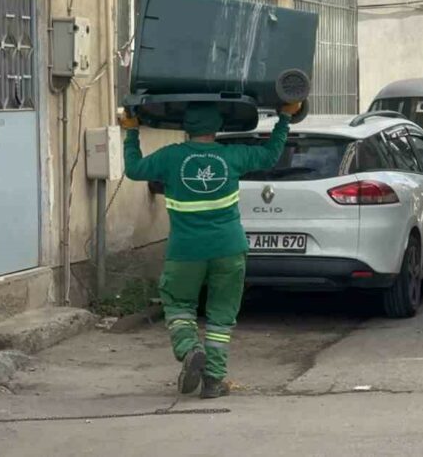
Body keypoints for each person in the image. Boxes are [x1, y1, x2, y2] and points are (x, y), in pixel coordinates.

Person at [119, 101, 301, 397]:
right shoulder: (232, 156)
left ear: (186, 128)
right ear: (216, 127)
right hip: (229, 249)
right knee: (220, 317)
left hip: (186, 251)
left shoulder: (171, 157)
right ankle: (214, 380)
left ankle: (190, 348)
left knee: (178, 305)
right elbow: (270, 156)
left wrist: (131, 132)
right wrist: (284, 118)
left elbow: (135, 169)